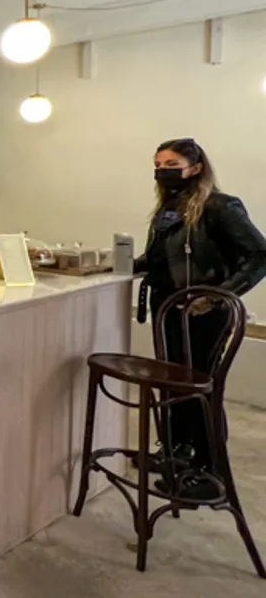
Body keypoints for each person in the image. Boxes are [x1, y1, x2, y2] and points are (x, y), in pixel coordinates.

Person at [135, 138, 266, 499]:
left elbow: (260, 254)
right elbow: (157, 258)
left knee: (201, 388)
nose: (163, 171)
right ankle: (176, 453)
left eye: (172, 164)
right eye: (159, 163)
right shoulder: (169, 208)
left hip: (206, 313)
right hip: (170, 310)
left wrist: (219, 293)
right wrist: (118, 265)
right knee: (173, 383)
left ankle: (210, 471)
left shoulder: (220, 206)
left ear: (195, 168)